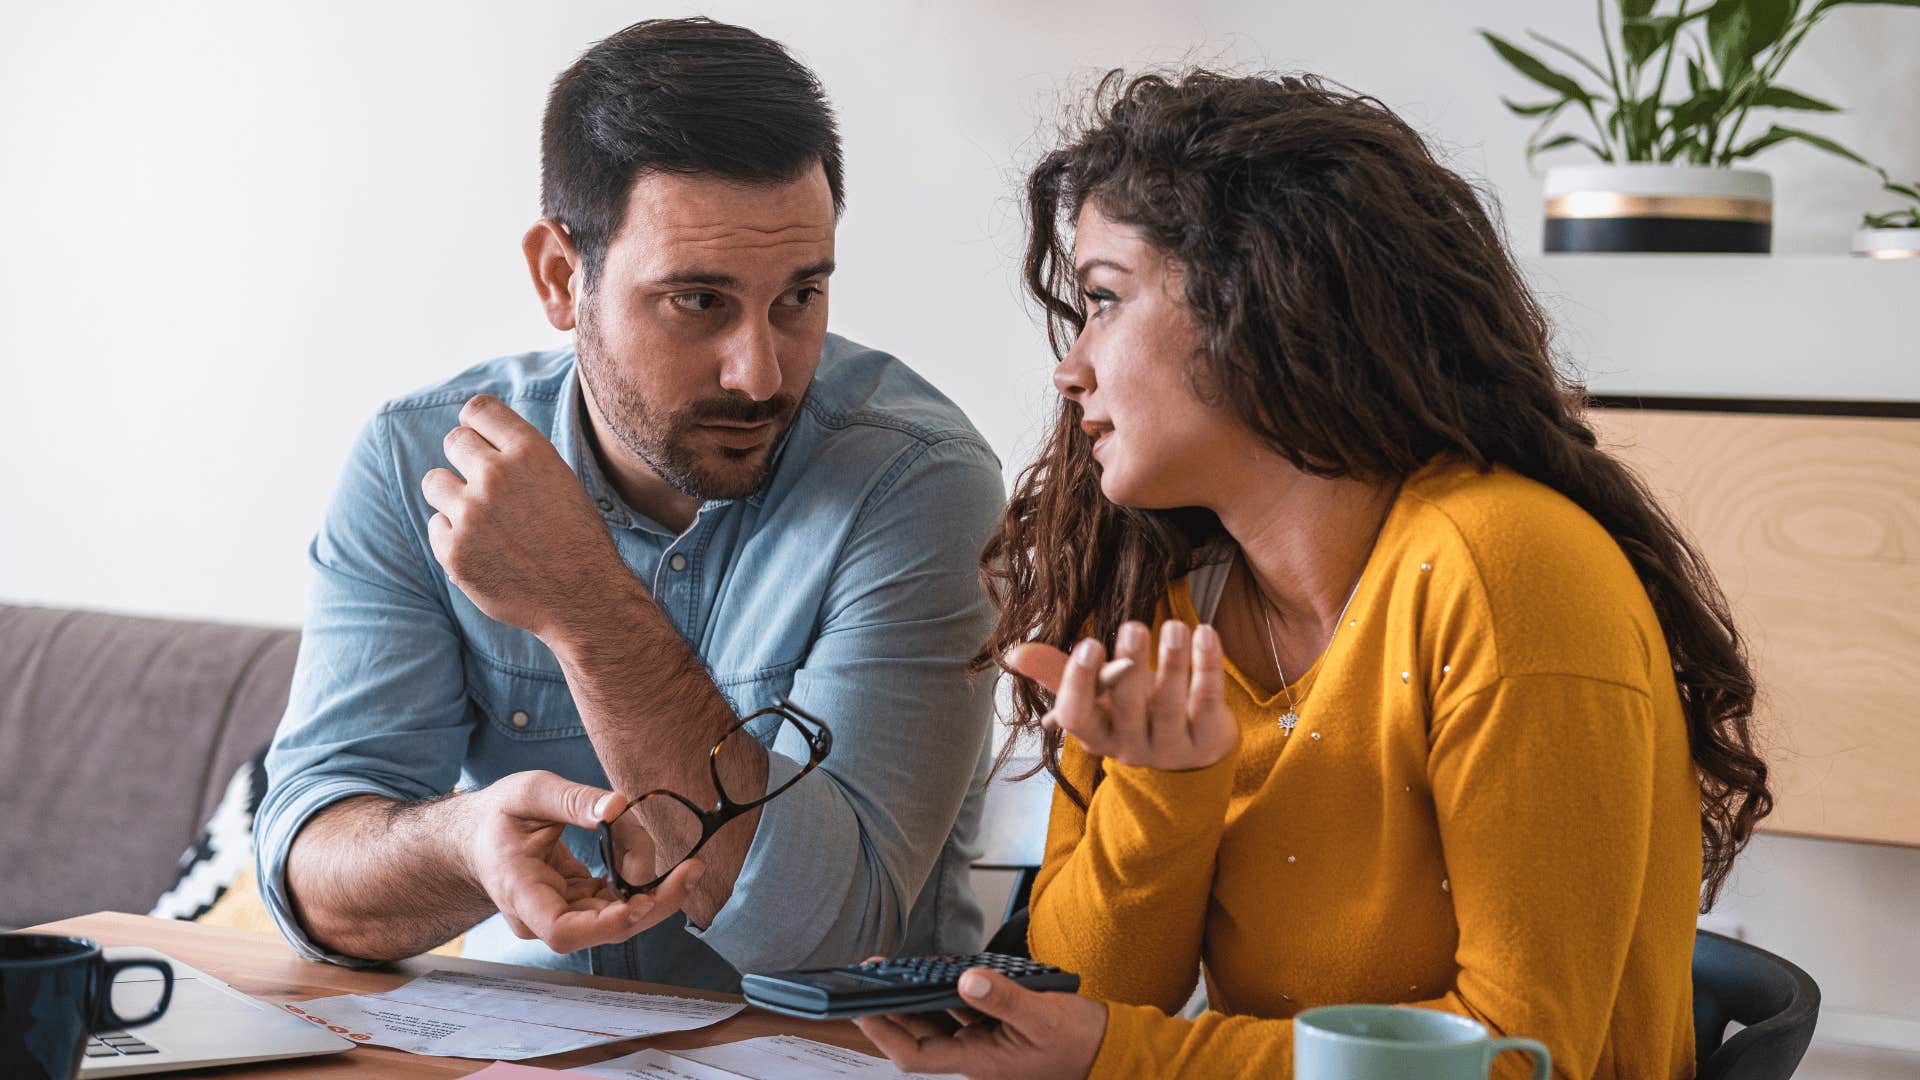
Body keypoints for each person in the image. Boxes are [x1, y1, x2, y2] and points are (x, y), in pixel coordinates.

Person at [855, 70, 1771, 1079]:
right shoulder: (1169, 608)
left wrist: (1128, 1055)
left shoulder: (1506, 574)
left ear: (1259, 299)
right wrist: (1166, 790)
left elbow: (1520, 1061)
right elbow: (1091, 1007)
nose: (1071, 368)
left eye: (1107, 299)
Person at [254, 18, 1005, 992]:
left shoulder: (917, 482)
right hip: (530, 1048)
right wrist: (465, 841)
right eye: (699, 301)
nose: (760, 372)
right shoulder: (417, 463)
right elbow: (312, 881)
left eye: (799, 296)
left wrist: (587, 607)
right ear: (562, 276)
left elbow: (830, 937)